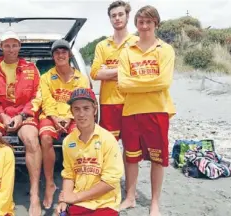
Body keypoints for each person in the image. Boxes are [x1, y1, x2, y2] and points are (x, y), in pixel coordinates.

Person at [117, 5, 176, 216]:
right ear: (136, 24)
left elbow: (164, 81)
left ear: (155, 23)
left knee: (157, 159)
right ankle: (130, 197)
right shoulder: (127, 51)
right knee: (131, 157)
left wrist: (137, 83)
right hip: (131, 112)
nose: (144, 26)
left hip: (157, 111)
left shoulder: (165, 50)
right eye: (141, 22)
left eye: (148, 22)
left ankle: (154, 203)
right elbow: (122, 84)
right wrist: (149, 83)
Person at [0, 30, 42, 215]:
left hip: (25, 115)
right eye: (7, 45)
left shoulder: (31, 69)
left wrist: (22, 117)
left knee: (32, 140)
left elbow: (37, 96)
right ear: (1, 47)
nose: (11, 49)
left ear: (19, 47)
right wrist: (4, 117)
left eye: (14, 45)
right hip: (0, 115)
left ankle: (34, 195)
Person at [38, 39, 90, 209]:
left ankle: (77, 184)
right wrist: (54, 118)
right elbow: (46, 100)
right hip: (51, 116)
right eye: (57, 52)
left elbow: (81, 100)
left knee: (78, 141)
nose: (60, 55)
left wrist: (68, 117)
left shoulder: (80, 78)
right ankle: (50, 184)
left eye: (64, 52)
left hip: (74, 116)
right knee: (45, 138)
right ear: (53, 56)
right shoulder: (46, 78)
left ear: (69, 55)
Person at [56, 88, 124, 216]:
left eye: (86, 108)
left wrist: (75, 197)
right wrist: (64, 200)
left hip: (105, 203)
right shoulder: (68, 142)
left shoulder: (108, 139)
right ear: (71, 112)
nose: (81, 114)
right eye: (76, 109)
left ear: (95, 109)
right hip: (80, 203)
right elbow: (69, 175)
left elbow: (110, 182)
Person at [90, 0, 138, 141]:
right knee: (108, 145)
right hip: (108, 102)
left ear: (127, 16)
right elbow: (95, 73)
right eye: (113, 15)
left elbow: (138, 72)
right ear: (110, 18)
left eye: (120, 14)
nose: (117, 18)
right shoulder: (102, 45)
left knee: (130, 149)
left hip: (132, 101)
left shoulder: (137, 42)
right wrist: (124, 70)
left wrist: (109, 71)